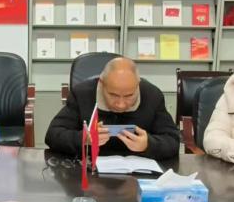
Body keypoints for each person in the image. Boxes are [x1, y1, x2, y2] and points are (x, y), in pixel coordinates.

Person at [46, 57, 180, 160]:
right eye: (113, 95)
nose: (121, 104)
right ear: (101, 83)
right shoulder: (82, 94)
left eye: (129, 96)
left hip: (138, 173)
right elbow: (53, 135)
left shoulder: (152, 95)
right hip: (91, 171)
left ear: (137, 85)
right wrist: (83, 138)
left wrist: (148, 144)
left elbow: (173, 141)